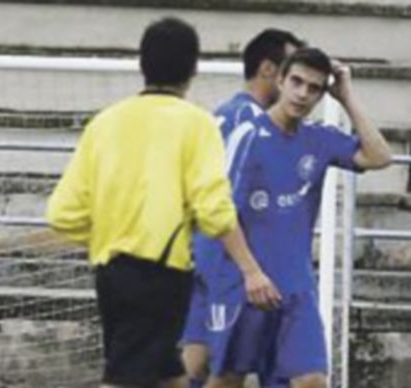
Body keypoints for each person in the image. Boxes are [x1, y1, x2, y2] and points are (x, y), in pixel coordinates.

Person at [45, 17, 279, 388]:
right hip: (161, 270)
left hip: (109, 271)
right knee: (124, 377)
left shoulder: (105, 122)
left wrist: (107, 236)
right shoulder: (196, 124)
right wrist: (250, 267)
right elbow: (214, 209)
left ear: (142, 64)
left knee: (167, 374)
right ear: (193, 69)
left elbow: (63, 213)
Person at [204, 48, 392, 388]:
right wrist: (251, 272)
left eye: (314, 88)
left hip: (296, 290)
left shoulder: (318, 138)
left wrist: (347, 98)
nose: (303, 93)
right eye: (297, 82)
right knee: (227, 380)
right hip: (245, 286)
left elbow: (379, 156)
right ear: (280, 80)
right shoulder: (248, 135)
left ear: (322, 94)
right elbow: (220, 210)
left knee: (312, 381)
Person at [180, 28, 303, 387]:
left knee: (196, 359)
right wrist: (251, 266)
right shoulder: (252, 122)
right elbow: (232, 197)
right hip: (230, 259)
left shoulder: (223, 113)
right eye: (290, 72)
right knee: (229, 368)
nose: (296, 86)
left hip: (206, 250)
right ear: (268, 69)